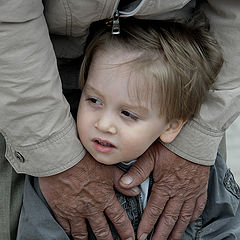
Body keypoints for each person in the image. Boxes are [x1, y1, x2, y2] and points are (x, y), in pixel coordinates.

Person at [1, 1, 240, 240]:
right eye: (93, 100)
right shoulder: (46, 182)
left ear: (172, 126)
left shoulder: (208, 174)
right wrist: (53, 152)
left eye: (128, 114)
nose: (103, 124)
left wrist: (198, 139)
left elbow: (226, 227)